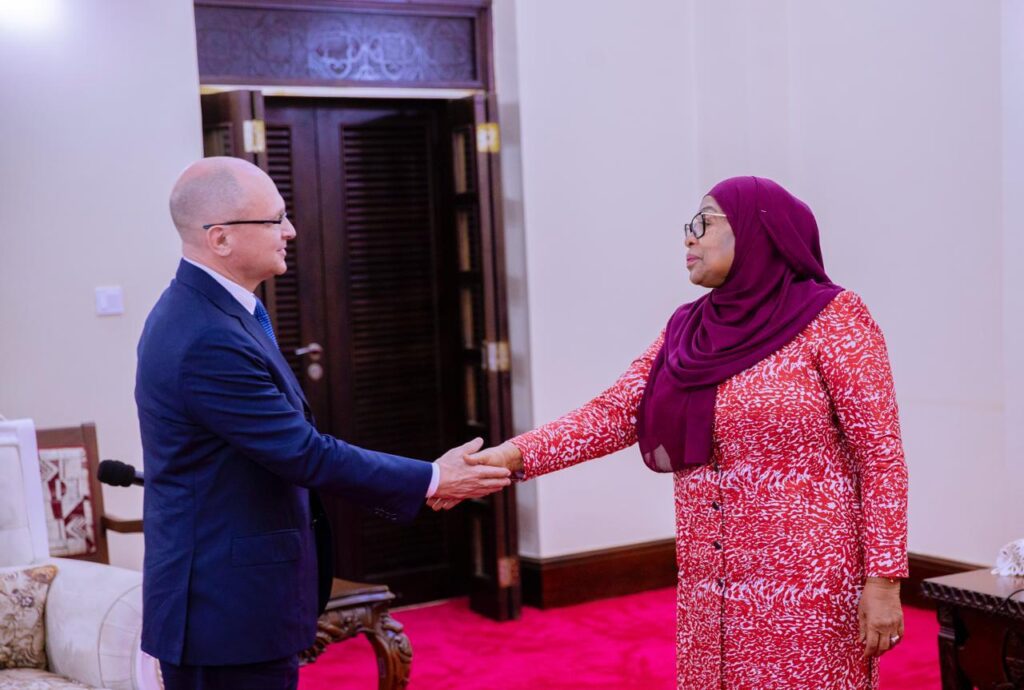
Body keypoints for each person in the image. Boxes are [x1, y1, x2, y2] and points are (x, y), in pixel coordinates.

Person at [445, 176, 908, 689]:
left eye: (704, 222)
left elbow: (881, 456)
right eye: (689, 224)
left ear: (759, 230)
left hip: (810, 583)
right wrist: (509, 456)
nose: (688, 237)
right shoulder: (688, 328)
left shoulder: (832, 318)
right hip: (710, 583)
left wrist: (884, 581)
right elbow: (613, 414)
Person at [136, 156, 511, 689]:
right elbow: (303, 452)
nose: (290, 231)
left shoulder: (219, 312)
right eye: (275, 219)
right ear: (220, 238)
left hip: (241, 600)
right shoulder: (204, 335)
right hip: (223, 611)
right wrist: (433, 478)